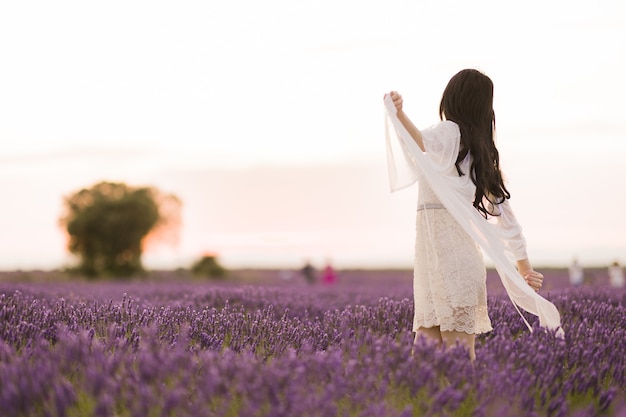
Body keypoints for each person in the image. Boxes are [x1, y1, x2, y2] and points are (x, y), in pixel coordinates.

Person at [384, 69, 551, 361]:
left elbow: (423, 141)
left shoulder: (450, 133)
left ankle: (467, 406)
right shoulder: (475, 152)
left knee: (443, 355)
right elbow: (507, 220)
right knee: (439, 353)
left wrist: (399, 114)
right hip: (439, 265)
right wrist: (524, 268)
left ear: (453, 98)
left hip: (447, 264)